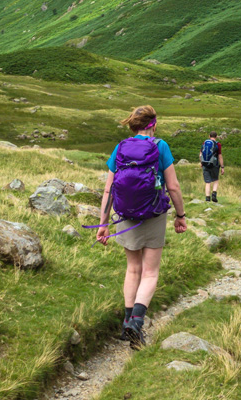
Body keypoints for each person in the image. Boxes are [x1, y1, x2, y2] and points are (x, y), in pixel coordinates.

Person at [96, 105, 187, 350]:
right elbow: (174, 187)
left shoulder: (121, 147)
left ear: (133, 125)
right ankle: (136, 322)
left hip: (125, 216)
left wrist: (103, 224)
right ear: (153, 124)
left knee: (133, 269)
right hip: (154, 214)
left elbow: (109, 188)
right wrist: (181, 215)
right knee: (150, 272)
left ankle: (127, 323)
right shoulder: (161, 146)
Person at [199, 131, 224, 202]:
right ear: (216, 136)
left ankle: (207, 198)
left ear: (209, 136)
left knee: (207, 182)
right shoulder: (218, 144)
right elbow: (220, 156)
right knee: (215, 179)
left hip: (205, 164)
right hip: (214, 165)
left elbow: (200, 154)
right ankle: (214, 194)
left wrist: (202, 162)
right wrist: (222, 167)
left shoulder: (204, 143)